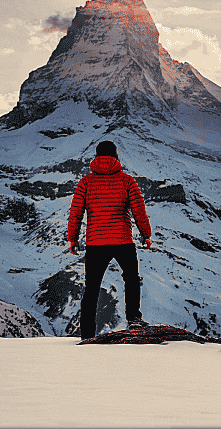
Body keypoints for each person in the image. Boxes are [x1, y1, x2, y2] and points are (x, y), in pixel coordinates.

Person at [68, 140, 153, 340]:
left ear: (96, 157)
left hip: (96, 243)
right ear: (116, 157)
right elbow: (139, 211)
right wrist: (146, 235)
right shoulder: (127, 181)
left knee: (92, 287)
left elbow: (76, 213)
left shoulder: (85, 182)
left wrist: (73, 238)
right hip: (123, 240)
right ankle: (134, 321)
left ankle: (87, 334)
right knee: (131, 279)